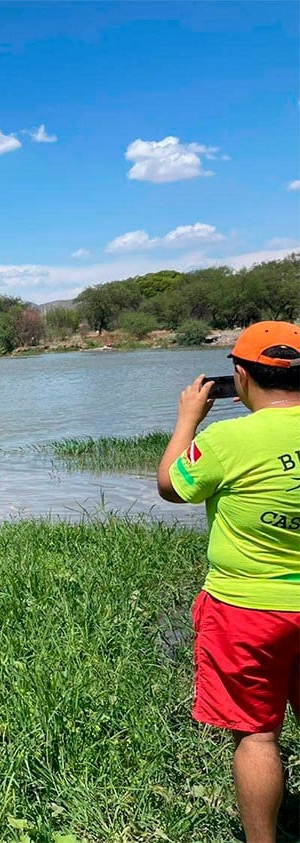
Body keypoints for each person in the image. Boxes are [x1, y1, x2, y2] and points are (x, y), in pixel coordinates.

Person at [156, 321, 300, 843]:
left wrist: (186, 421)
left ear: (238, 376)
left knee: (258, 736)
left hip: (247, 611)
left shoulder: (227, 439)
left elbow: (172, 487)